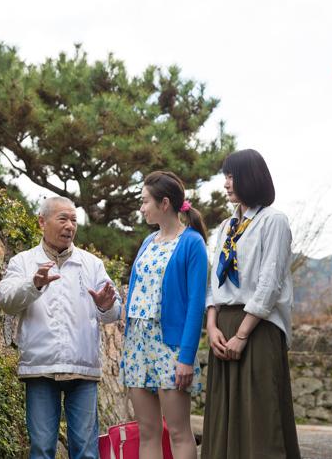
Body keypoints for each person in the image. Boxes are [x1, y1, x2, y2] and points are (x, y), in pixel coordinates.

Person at [0, 196, 121, 459]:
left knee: (86, 451)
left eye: (74, 220)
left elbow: (114, 312)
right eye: (62, 218)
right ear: (42, 221)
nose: (70, 226)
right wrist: (34, 285)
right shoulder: (24, 261)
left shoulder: (92, 264)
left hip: (83, 368)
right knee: (41, 449)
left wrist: (106, 306)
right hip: (40, 368)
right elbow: (5, 301)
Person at [201, 149, 301, 459]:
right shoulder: (225, 228)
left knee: (260, 417)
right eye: (225, 176)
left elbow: (270, 283)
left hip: (257, 328)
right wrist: (212, 325)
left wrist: (242, 335)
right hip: (224, 327)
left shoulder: (274, 221)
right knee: (222, 420)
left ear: (251, 177)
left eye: (232, 176)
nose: (227, 183)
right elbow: (214, 282)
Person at [119, 171, 208, 459]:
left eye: (145, 201)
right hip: (137, 344)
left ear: (164, 203)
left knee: (180, 432)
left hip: (170, 346)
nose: (141, 208)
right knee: (148, 432)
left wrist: (185, 357)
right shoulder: (147, 241)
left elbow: (196, 305)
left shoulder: (192, 243)